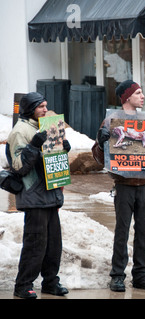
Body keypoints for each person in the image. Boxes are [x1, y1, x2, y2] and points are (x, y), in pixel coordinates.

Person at [92, 80, 145, 292]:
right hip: (123, 184)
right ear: (127, 97)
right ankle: (117, 275)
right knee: (122, 231)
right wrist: (101, 141)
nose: (142, 96)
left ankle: (141, 274)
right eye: (138, 92)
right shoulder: (112, 120)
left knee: (143, 231)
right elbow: (98, 156)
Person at [6, 92, 70, 299]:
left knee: (54, 245)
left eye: (46, 105)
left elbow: (50, 158)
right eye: (40, 106)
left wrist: (63, 150)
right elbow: (18, 167)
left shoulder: (47, 126)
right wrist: (33, 146)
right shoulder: (20, 131)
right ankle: (23, 285)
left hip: (50, 193)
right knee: (35, 244)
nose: (45, 109)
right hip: (34, 195)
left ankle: (51, 281)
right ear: (29, 108)